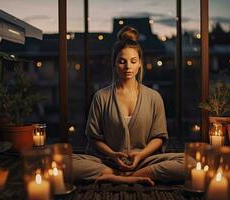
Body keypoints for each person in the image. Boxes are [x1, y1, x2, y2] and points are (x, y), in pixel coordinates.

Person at [73, 26, 185, 185]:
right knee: (62, 162)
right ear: (114, 64)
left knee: (191, 163)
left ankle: (128, 176)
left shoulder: (154, 97)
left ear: (140, 64)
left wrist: (140, 155)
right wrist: (113, 155)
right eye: (122, 61)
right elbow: (94, 138)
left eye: (133, 61)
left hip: (145, 161)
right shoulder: (101, 97)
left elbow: (159, 137)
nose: (127, 67)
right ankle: (116, 173)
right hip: (107, 161)